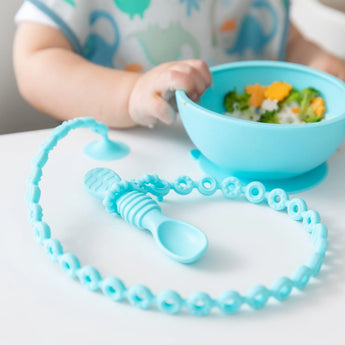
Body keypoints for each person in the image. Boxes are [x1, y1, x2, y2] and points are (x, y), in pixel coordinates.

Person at [13, 0, 345, 129]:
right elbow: (35, 61)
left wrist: (313, 59)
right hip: (123, 167)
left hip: (248, 173)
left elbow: (281, 38)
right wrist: (128, 94)